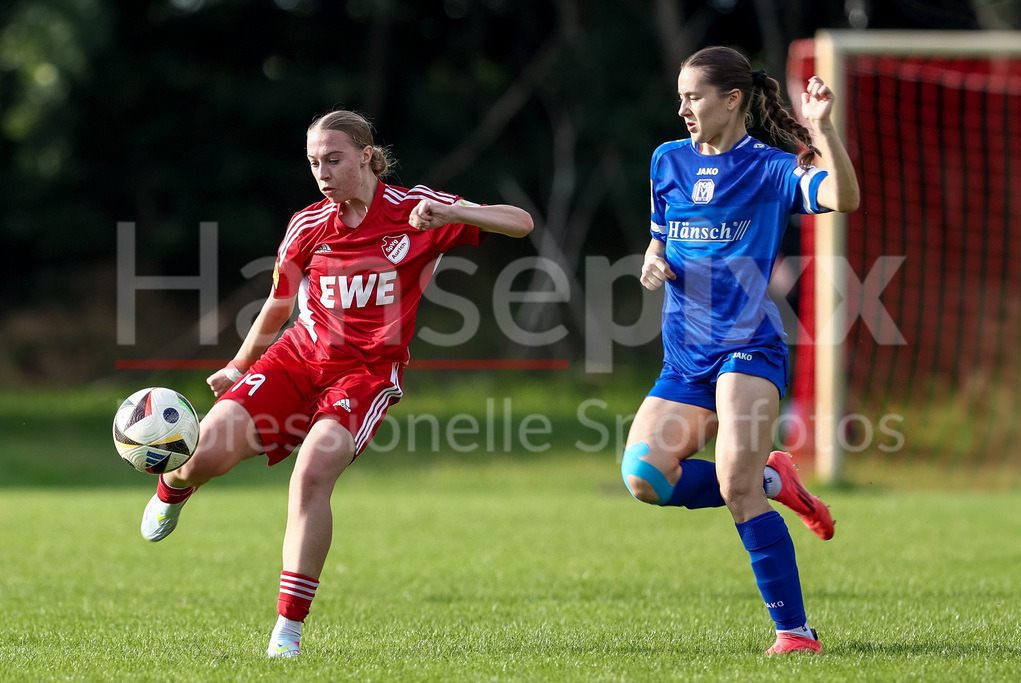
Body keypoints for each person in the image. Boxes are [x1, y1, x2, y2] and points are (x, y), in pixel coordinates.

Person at [139, 109, 534, 658]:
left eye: (333, 159)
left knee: (311, 474)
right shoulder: (307, 225)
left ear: (367, 157)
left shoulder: (415, 210)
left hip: (366, 376)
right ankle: (173, 488)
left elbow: (520, 223)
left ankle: (287, 629)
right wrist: (238, 365)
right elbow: (278, 305)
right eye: (313, 162)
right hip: (296, 359)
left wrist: (449, 210)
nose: (321, 172)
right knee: (204, 454)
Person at [621, 46, 859, 655]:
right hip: (684, 355)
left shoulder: (773, 168)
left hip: (748, 348)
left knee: (734, 485)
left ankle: (796, 633)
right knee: (644, 477)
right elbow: (659, 238)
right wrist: (653, 260)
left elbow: (845, 197)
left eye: (693, 97)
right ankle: (775, 480)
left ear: (733, 99)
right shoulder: (666, 160)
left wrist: (822, 129)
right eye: (679, 98)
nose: (683, 110)